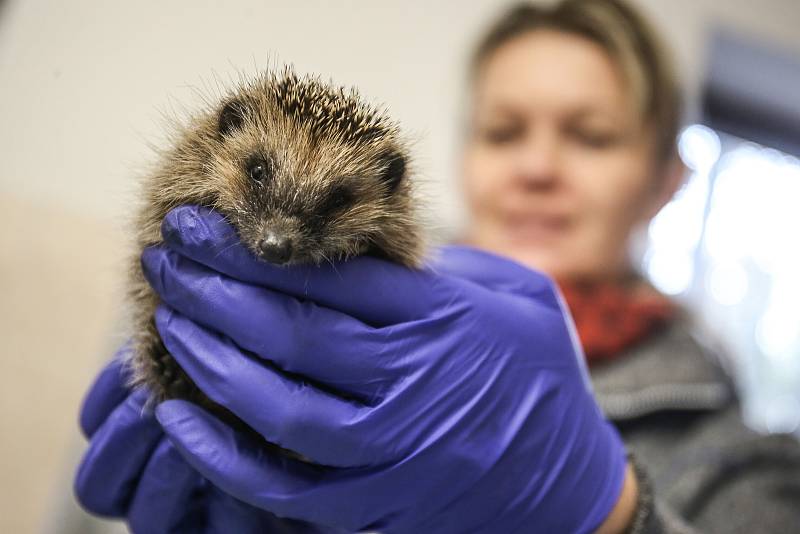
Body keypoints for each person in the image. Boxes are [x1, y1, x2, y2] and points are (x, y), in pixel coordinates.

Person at [74, 1, 800, 532]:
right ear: (463, 156)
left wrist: (609, 509)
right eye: (503, 130)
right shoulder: (232, 293)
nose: (537, 168)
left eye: (592, 137)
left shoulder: (735, 454)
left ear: (666, 179)